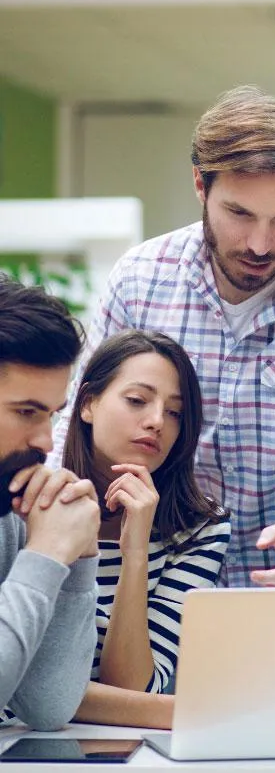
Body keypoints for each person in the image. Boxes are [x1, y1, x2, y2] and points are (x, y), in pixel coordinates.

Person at [51, 85, 275, 587]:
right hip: (158, 588)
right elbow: (75, 421)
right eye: (240, 214)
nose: (261, 244)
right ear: (201, 185)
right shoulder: (141, 280)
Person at [62, 330, 231, 729]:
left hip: (133, 746)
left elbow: (133, 687)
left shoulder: (200, 529)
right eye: (137, 400)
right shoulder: (31, 504)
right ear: (87, 404)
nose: (156, 422)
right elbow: (26, 686)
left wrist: (135, 554)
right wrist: (195, 714)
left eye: (175, 413)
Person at [0, 276, 100, 729]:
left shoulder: (10, 509)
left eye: (52, 414)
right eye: (26, 411)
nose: (46, 441)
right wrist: (45, 554)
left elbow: (49, 707)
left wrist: (77, 559)